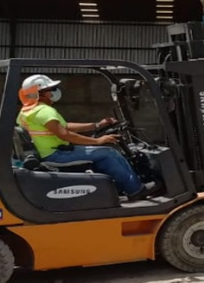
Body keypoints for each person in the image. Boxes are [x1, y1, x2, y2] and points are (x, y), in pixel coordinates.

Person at [17, 74, 150, 200]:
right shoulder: (44, 111)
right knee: (108, 153)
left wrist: (96, 125)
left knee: (107, 153)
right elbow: (64, 134)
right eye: (51, 89)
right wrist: (97, 141)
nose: (55, 91)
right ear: (39, 93)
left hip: (52, 151)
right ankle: (135, 190)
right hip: (57, 154)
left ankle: (122, 187)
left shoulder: (28, 111)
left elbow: (64, 126)